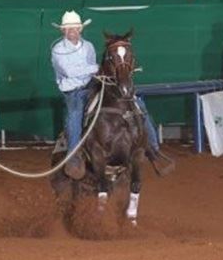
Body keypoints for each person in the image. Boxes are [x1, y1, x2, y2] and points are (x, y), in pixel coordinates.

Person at [51, 11, 161, 179]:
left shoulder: (88, 46)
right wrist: (95, 69)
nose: (72, 31)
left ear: (80, 29)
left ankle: (153, 148)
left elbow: (96, 68)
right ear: (63, 31)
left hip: (93, 85)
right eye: (68, 28)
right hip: (74, 91)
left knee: (137, 104)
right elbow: (70, 72)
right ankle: (73, 156)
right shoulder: (58, 50)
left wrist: (102, 73)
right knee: (75, 114)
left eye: (75, 28)